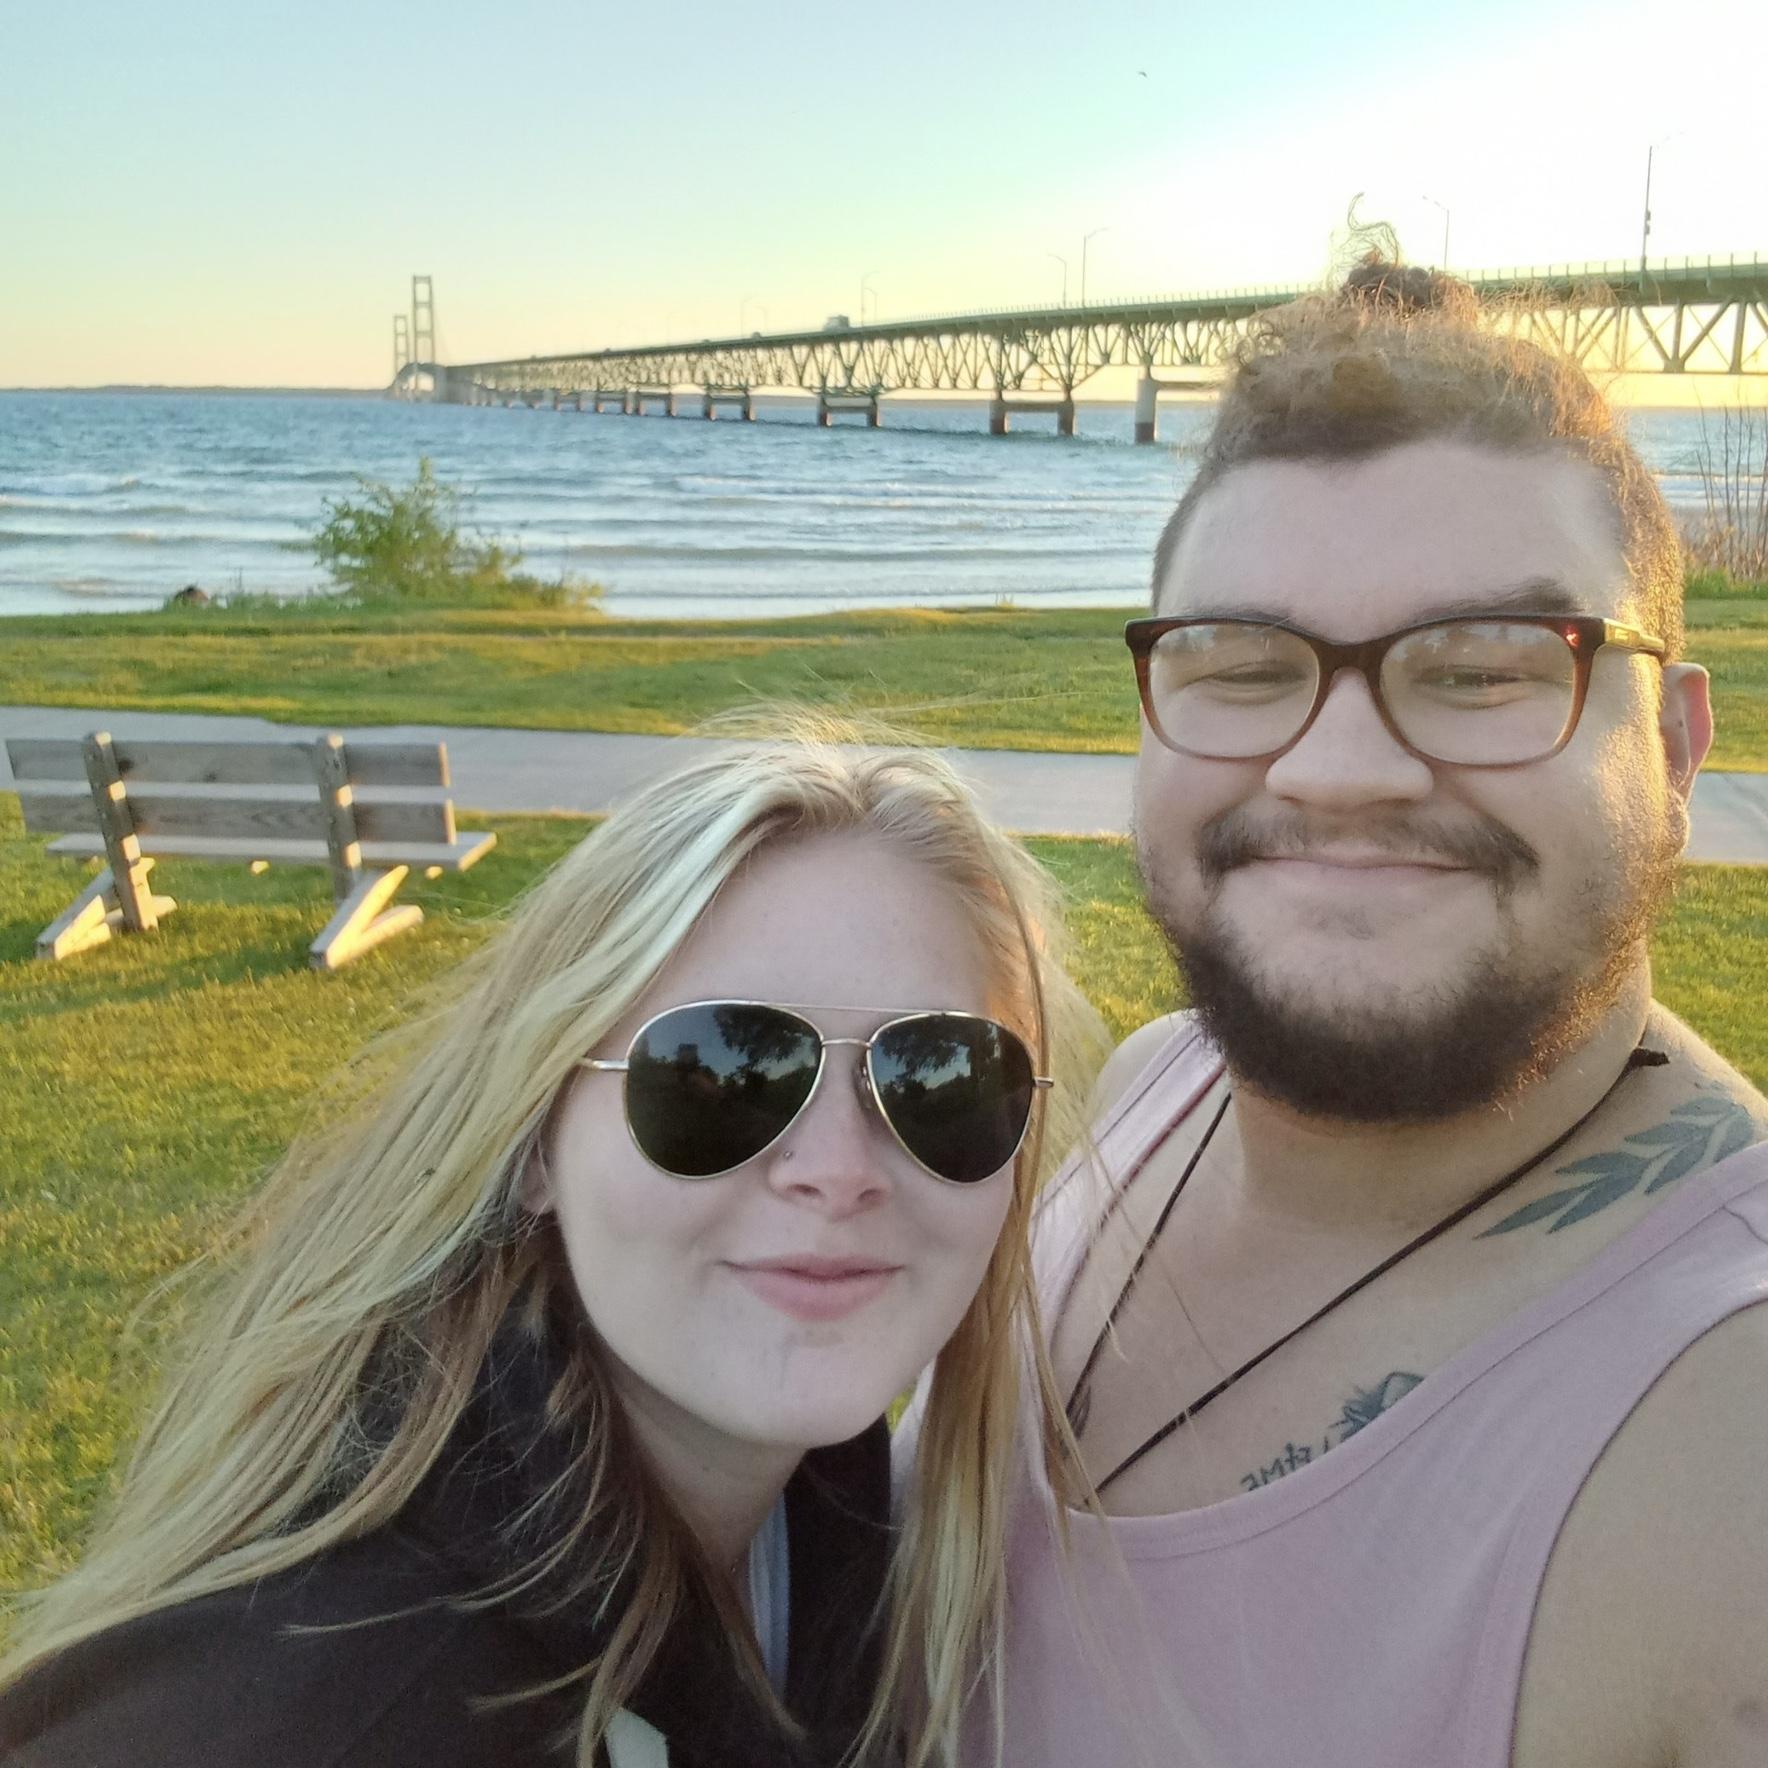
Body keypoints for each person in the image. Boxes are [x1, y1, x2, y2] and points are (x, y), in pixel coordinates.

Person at [988, 263, 1768, 1768]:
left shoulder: (1731, 1451)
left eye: (1480, 670)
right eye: (1241, 665)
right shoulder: (1155, 1087)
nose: (1339, 769)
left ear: (1673, 752)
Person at [0, 723, 1103, 1768]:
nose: (840, 1167)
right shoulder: (333, 1702)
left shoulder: (828, 1519)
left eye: (936, 1075)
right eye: (721, 1074)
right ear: (534, 1141)